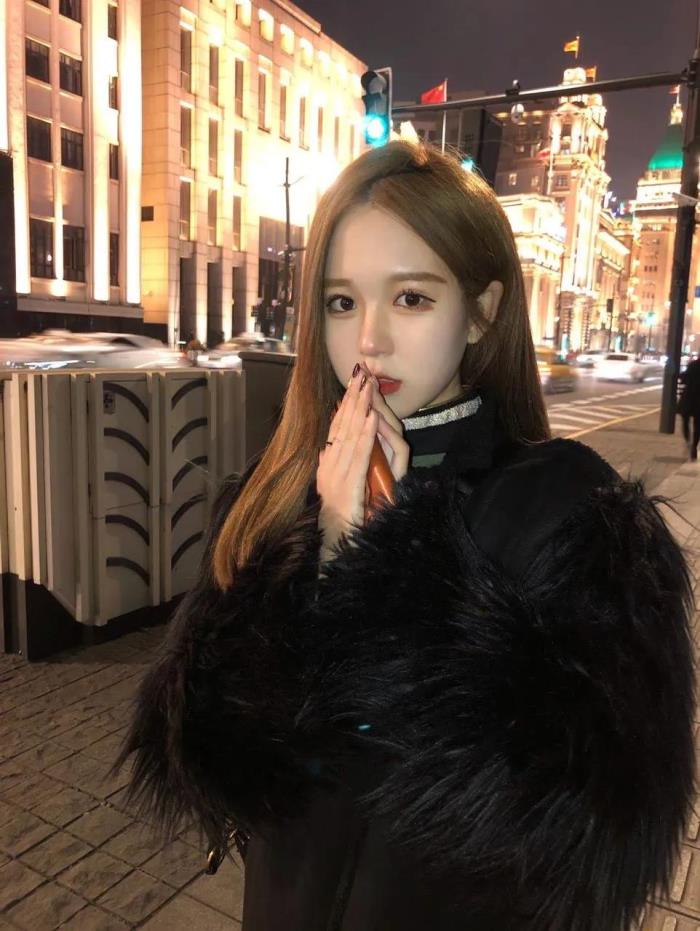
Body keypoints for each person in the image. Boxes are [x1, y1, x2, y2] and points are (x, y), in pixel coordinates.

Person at [113, 142, 694, 930]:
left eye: (412, 297)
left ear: (481, 310)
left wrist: (382, 572)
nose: (369, 339)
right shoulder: (272, 494)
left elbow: (588, 829)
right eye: (341, 301)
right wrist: (322, 555)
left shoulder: (569, 510)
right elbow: (210, 760)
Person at [678, 354, 700, 460]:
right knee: (698, 425)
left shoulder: (693, 365)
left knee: (685, 420)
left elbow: (684, 378)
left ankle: (688, 440)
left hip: (689, 397)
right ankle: (694, 446)